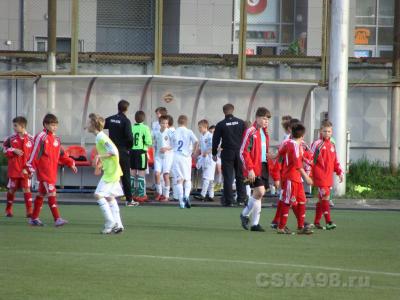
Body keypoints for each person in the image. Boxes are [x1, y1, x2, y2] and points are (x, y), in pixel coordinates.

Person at [25, 113, 77, 227]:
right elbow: (35, 153)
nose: (54, 127)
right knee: (52, 193)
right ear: (45, 124)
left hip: (52, 171)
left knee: (41, 194)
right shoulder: (41, 137)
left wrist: (70, 162)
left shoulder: (56, 139)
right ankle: (57, 219)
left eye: (55, 125)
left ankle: (34, 218)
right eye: (52, 125)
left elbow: (62, 154)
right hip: (44, 172)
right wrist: (30, 168)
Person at [87, 113, 124, 234]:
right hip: (112, 170)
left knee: (98, 195)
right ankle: (118, 225)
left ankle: (110, 222)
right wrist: (101, 163)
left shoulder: (101, 137)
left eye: (89, 123)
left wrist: (98, 156)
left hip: (111, 172)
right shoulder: (100, 137)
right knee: (110, 197)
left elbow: (113, 151)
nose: (87, 125)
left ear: (93, 125)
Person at [275, 123, 314, 235]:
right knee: (288, 202)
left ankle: (301, 226)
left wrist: (273, 156)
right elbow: (298, 165)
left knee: (302, 201)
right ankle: (281, 227)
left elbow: (280, 152)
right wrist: (307, 177)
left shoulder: (288, 143)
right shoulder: (295, 146)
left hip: (296, 179)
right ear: (302, 136)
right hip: (291, 178)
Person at [239, 107, 271, 232]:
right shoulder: (251, 131)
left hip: (263, 166)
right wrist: (250, 169)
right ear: (257, 118)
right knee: (260, 192)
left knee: (258, 195)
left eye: (267, 119)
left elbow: (263, 151)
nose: (265, 121)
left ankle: (254, 223)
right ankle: (245, 214)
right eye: (263, 118)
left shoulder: (265, 133)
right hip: (254, 167)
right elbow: (243, 152)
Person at [311, 120, 344, 230]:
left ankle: (316, 222)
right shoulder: (317, 144)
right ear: (321, 131)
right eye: (325, 131)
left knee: (322, 199)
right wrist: (309, 175)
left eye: (329, 131)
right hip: (320, 176)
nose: (327, 133)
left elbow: (335, 160)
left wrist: (339, 172)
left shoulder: (332, 144)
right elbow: (311, 160)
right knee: (326, 196)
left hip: (328, 176)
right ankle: (329, 221)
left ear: (332, 131)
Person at [212, 104, 246, 206]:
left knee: (228, 177)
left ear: (224, 112)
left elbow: (215, 140)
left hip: (227, 152)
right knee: (240, 176)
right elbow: (246, 137)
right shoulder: (241, 123)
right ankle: (241, 199)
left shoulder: (221, 124)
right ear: (233, 110)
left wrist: (214, 153)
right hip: (240, 152)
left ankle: (229, 200)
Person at [104, 100, 137, 207]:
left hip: (111, 151)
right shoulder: (126, 121)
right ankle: (129, 199)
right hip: (122, 151)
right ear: (127, 109)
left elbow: (101, 125)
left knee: (110, 173)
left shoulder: (111, 119)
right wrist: (128, 148)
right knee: (125, 175)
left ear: (118, 107)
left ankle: (105, 196)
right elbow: (129, 137)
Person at [3, 116, 34, 218]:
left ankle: (29, 211)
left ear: (22, 126)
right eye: (14, 125)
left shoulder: (31, 139)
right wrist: (13, 150)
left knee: (27, 189)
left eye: (16, 125)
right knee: (12, 189)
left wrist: (31, 169)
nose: (14, 128)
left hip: (25, 170)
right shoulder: (10, 139)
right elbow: (4, 150)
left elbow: (35, 155)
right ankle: (8, 210)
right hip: (14, 170)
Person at [171, 115, 198, 209]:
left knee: (179, 179)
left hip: (176, 156)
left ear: (178, 122)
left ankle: (181, 202)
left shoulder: (174, 132)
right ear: (186, 122)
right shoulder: (189, 131)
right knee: (187, 179)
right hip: (186, 157)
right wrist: (194, 152)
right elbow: (196, 142)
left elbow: (172, 145)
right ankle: (186, 196)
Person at [130, 111, 152, 202]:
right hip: (141, 152)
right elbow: (149, 142)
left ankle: (130, 194)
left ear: (135, 118)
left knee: (132, 172)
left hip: (132, 152)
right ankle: (141, 194)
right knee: (141, 172)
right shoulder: (145, 128)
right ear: (144, 118)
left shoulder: (131, 128)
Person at [153, 115, 174, 202]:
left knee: (166, 175)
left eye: (166, 123)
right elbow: (154, 144)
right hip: (158, 156)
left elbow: (174, 145)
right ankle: (159, 193)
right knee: (157, 174)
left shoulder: (170, 132)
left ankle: (166, 195)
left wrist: (166, 148)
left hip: (167, 157)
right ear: (160, 123)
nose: (165, 124)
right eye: (163, 123)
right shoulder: (156, 133)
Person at [195, 119, 216, 202]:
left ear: (205, 127)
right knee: (210, 179)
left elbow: (214, 146)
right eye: (199, 127)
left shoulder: (210, 136)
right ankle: (211, 195)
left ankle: (203, 194)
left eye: (200, 127)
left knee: (206, 177)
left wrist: (207, 152)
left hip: (210, 159)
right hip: (204, 158)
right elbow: (200, 146)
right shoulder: (202, 136)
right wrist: (197, 153)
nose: (199, 129)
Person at [209, 125, 222, 192]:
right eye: (210, 132)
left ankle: (218, 184)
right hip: (210, 157)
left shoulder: (219, 138)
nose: (212, 133)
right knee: (213, 171)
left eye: (213, 132)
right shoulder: (208, 138)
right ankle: (212, 187)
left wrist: (218, 149)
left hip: (218, 156)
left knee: (218, 169)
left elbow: (221, 148)